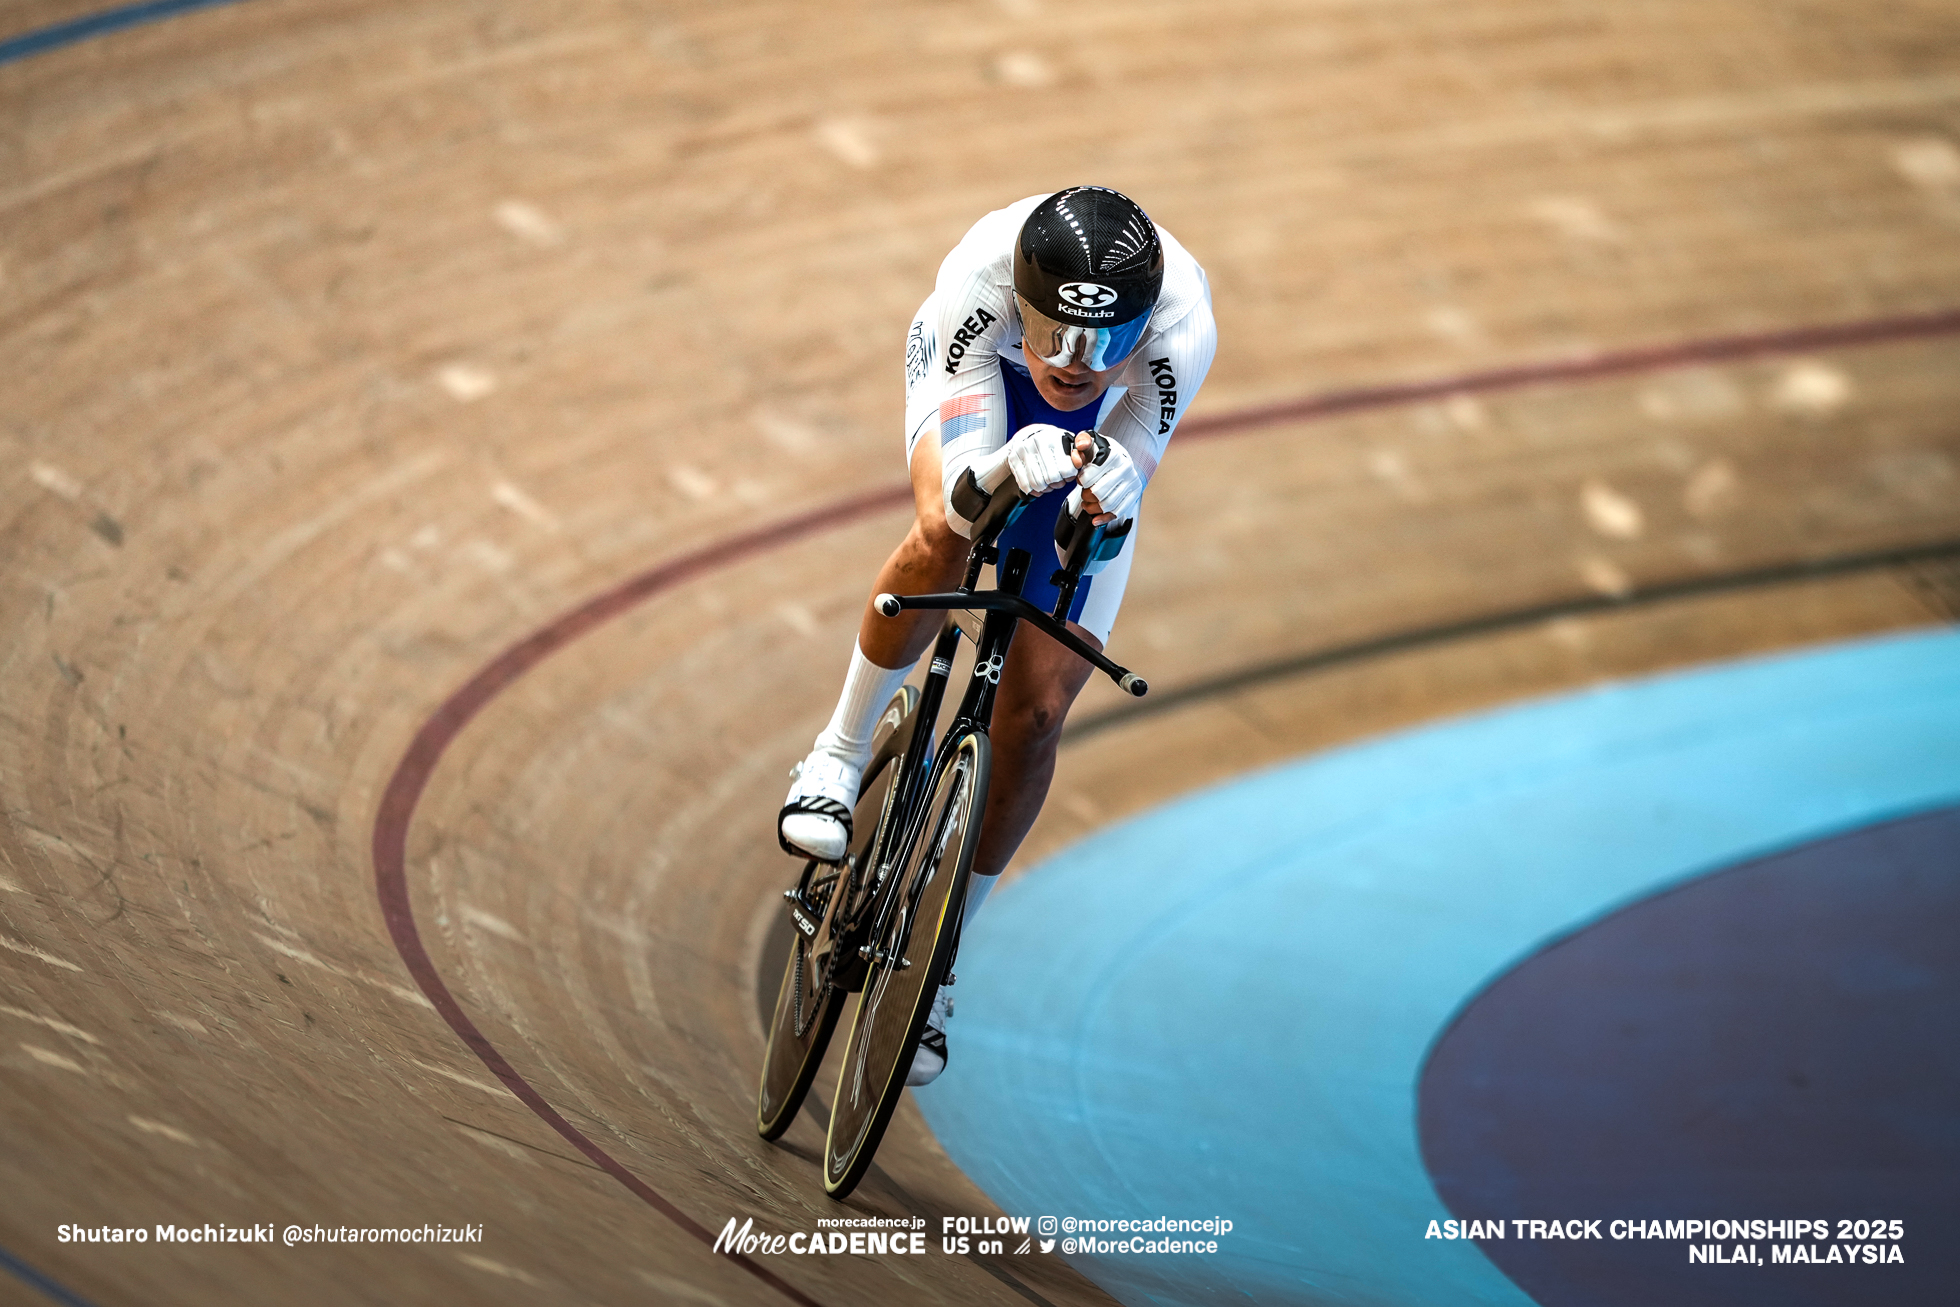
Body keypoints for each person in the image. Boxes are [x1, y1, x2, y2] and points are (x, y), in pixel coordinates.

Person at [779, 186, 1216, 1084]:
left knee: (1038, 711)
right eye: (1054, 335)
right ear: (1022, 304)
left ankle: (941, 954)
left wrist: (1112, 500)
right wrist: (1005, 463)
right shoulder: (979, 277)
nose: (1074, 363)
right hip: (976, 384)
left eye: (1102, 344)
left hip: (1090, 444)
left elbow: (1103, 515)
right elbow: (958, 503)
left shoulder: (1182, 327)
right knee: (942, 535)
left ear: (1141, 329)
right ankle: (836, 753)